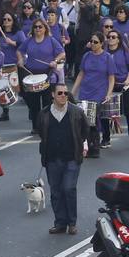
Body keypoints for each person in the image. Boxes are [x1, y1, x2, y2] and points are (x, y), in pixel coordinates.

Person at [37, 85, 88, 235]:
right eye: (60, 93)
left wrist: (78, 144)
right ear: (53, 94)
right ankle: (60, 223)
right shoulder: (44, 113)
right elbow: (41, 132)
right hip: (52, 158)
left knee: (69, 188)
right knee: (56, 191)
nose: (63, 95)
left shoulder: (77, 112)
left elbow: (85, 130)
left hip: (71, 157)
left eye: (66, 93)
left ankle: (72, 223)